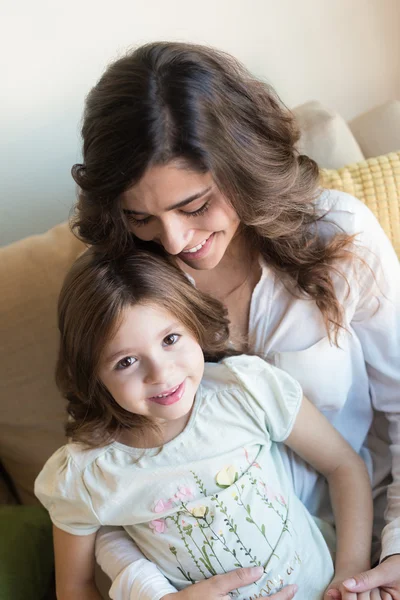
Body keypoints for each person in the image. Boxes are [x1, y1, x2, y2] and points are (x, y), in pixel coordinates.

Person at [70, 42, 400, 600]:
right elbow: (106, 479)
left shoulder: (339, 235)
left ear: (245, 165)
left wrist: (389, 555)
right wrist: (154, 593)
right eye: (141, 216)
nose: (173, 241)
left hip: (363, 545)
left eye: (195, 206)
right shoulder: (119, 284)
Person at [35, 248, 376, 600]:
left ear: (194, 325)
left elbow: (342, 465)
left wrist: (351, 569)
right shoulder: (87, 473)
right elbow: (74, 588)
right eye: (127, 361)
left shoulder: (246, 390)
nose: (161, 373)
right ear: (93, 376)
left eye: (170, 339)